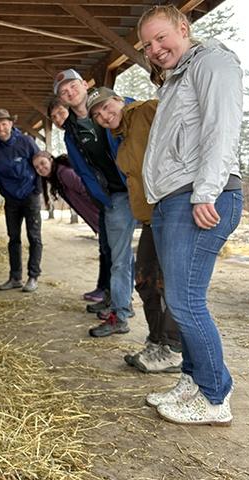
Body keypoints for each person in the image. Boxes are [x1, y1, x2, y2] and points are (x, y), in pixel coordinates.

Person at [137, 5, 243, 425]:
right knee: (178, 300)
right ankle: (194, 381)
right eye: (147, 44)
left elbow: (222, 127)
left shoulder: (213, 61)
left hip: (198, 196)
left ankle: (216, 396)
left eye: (161, 38)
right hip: (174, 198)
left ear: (184, 27)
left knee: (186, 301)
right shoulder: (176, 78)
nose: (155, 49)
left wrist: (206, 192)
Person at [87, 87, 183, 374]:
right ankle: (155, 341)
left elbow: (187, 133)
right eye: (97, 114)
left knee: (170, 283)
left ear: (119, 100)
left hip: (173, 209)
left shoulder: (147, 110)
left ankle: (173, 349)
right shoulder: (122, 138)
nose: (104, 115)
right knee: (144, 279)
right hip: (152, 218)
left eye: (106, 106)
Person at [53, 69, 136, 337]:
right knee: (118, 258)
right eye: (63, 92)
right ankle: (120, 313)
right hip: (115, 195)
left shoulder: (115, 105)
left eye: (73, 86)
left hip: (144, 187)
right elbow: (82, 170)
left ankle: (159, 329)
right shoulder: (71, 133)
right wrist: (101, 198)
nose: (69, 92)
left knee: (154, 258)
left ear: (84, 85)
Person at [46, 99, 110, 304]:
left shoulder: (64, 173)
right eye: (53, 117)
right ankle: (104, 291)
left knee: (110, 252)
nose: (57, 119)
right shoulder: (69, 136)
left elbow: (84, 183)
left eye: (60, 113)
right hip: (99, 209)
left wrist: (100, 201)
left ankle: (107, 293)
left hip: (103, 204)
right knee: (105, 250)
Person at [0, 108, 42, 293]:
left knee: (34, 237)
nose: (1, 128)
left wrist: (38, 191)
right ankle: (15, 277)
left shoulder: (26, 142)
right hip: (11, 199)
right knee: (13, 238)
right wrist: (5, 193)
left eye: (4, 124)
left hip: (30, 196)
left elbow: (41, 165)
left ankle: (33, 276)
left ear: (11, 123)